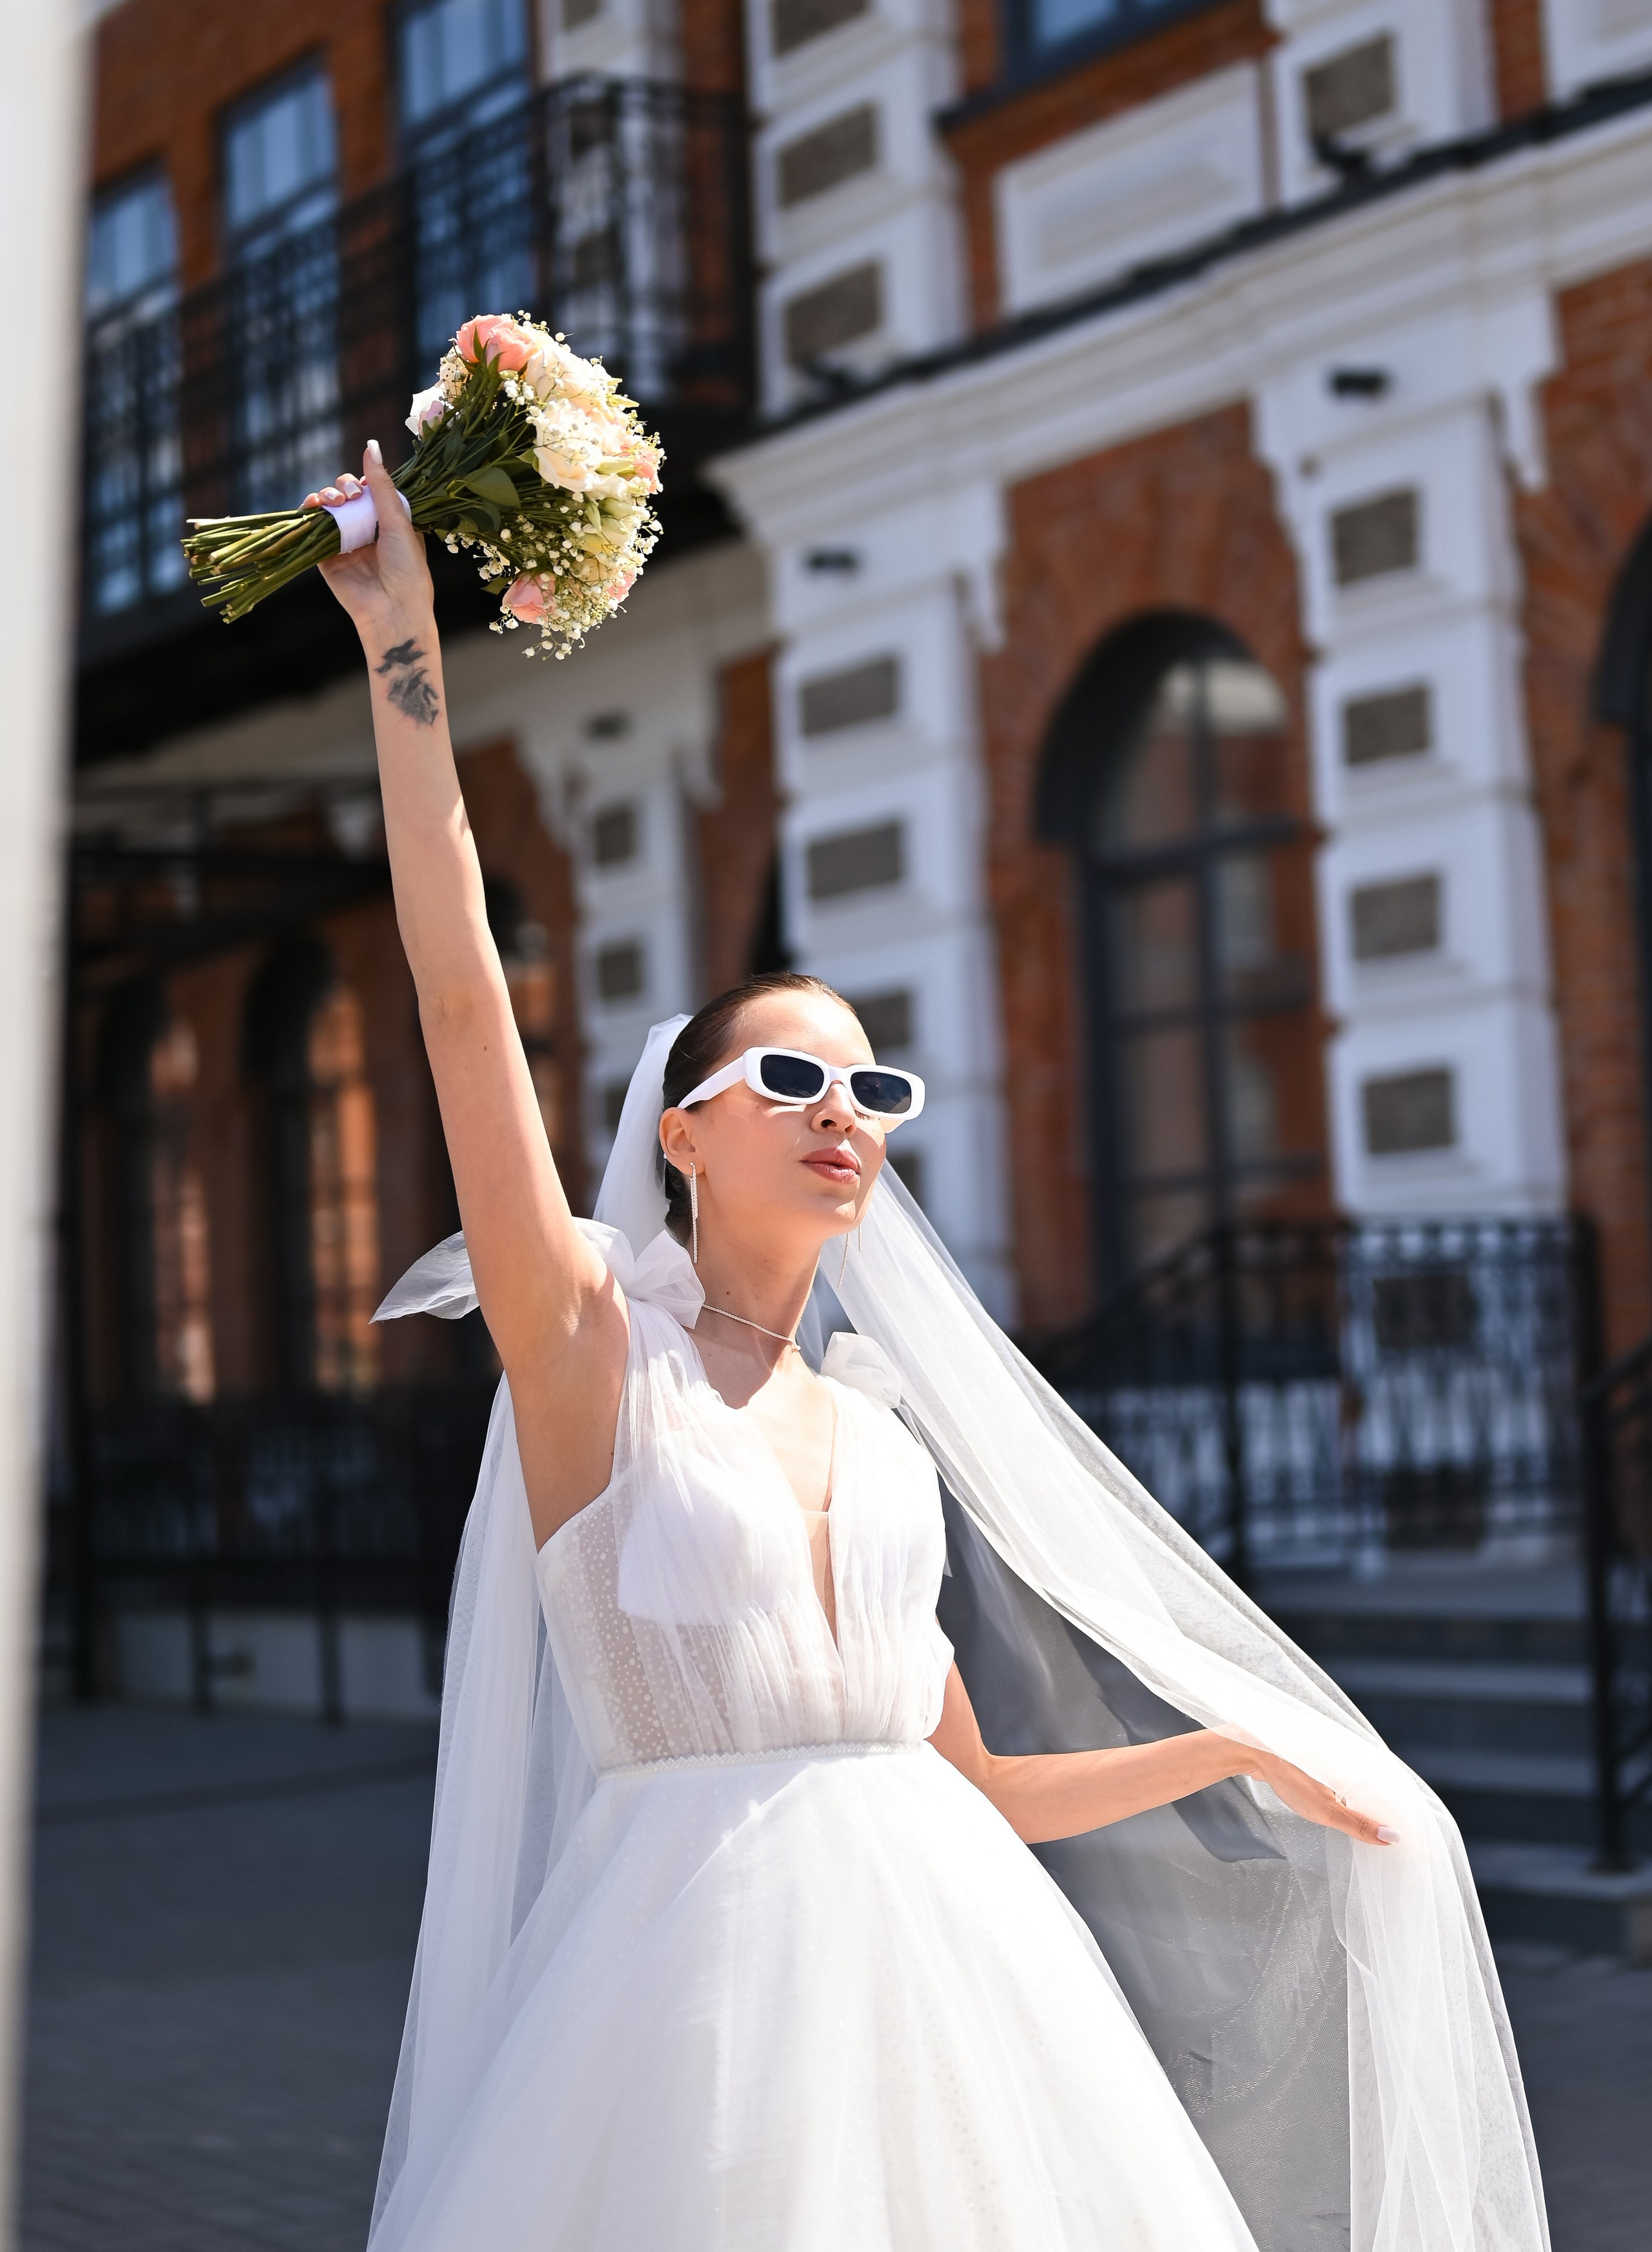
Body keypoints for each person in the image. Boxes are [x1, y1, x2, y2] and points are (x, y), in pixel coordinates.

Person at [310, 450, 1548, 2252]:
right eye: (788, 1079)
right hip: (681, 2022)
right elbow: (454, 997)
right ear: (680, 1132)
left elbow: (966, 1786)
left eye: (871, 1086)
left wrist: (1231, 1757)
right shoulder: (591, 1353)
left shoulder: (882, 1434)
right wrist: (405, 658)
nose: (841, 1114)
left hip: (966, 2002)